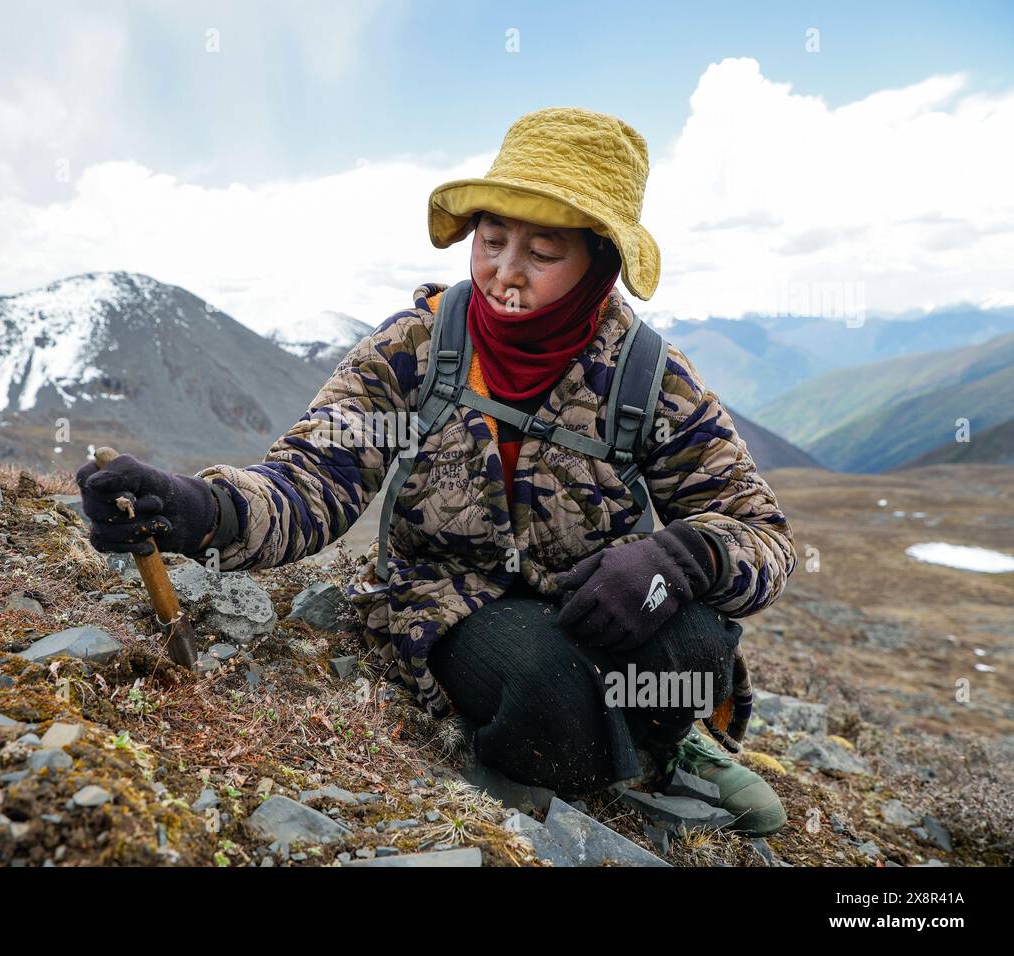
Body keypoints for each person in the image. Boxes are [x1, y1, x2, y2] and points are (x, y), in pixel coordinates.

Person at [77, 107, 797, 835]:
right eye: (491, 240)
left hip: (597, 602)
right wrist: (197, 509)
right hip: (456, 605)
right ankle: (582, 745)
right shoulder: (415, 347)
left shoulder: (650, 377)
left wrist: (677, 555)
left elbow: (762, 533)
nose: (503, 271)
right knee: (545, 693)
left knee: (703, 649)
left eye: (541, 252)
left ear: (600, 264)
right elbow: (310, 484)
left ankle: (668, 745)